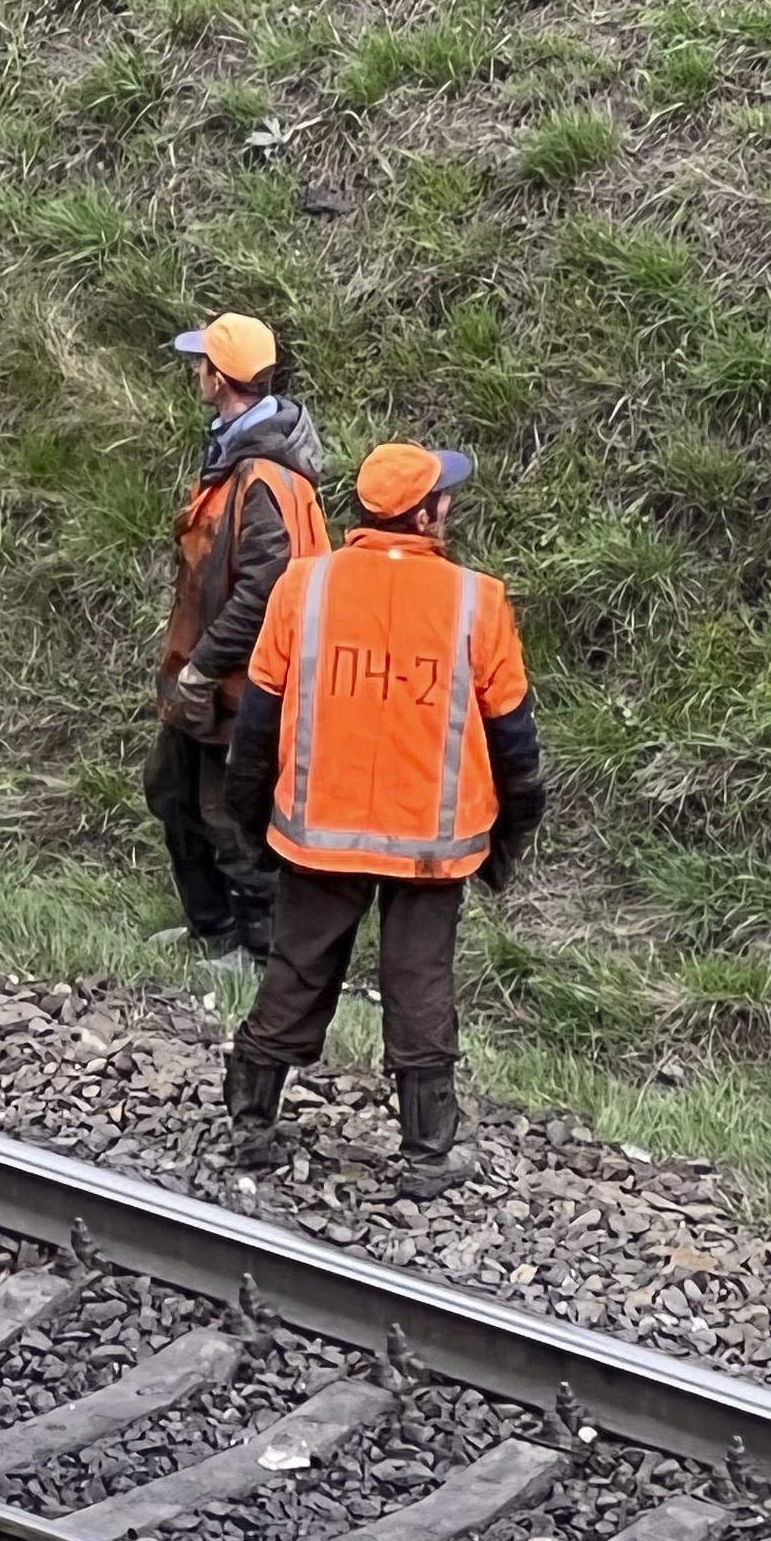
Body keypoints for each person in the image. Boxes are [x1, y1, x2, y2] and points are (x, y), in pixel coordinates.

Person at [220, 440, 545, 1200]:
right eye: (444, 497)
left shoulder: (306, 587)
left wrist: (250, 821)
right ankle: (428, 1154)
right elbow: (516, 743)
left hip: (318, 831)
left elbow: (256, 727)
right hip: (432, 850)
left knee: (297, 970)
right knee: (419, 984)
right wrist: (511, 833)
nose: (451, 507)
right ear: (424, 514)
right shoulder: (477, 601)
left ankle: (250, 1122)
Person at [148, 313, 326, 959]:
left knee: (232, 820)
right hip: (207, 676)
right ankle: (211, 929)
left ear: (218, 377)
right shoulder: (236, 446)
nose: (195, 373)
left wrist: (202, 667)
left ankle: (255, 954)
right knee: (171, 793)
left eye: (201, 365)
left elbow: (263, 591)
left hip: (241, 685)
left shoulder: (264, 476)